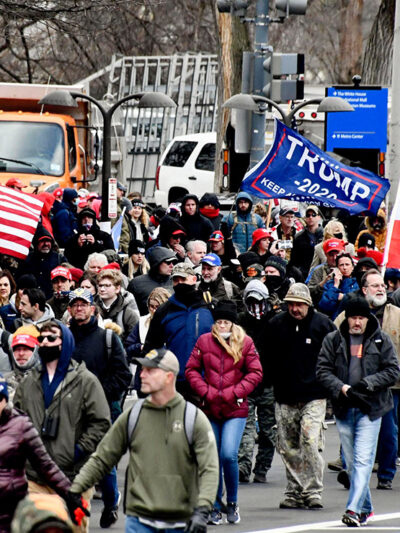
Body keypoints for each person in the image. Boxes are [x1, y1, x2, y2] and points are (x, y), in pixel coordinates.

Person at [68, 348, 219, 533]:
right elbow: (103, 457)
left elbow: (209, 468)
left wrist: (203, 509)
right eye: (142, 369)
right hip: (139, 521)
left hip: (182, 522)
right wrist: (76, 490)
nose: (142, 375)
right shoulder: (133, 415)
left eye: (150, 370)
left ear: (169, 377)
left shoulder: (193, 418)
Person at [13, 321, 110, 533]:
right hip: (34, 477)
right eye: (41, 339)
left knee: (72, 529)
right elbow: (16, 421)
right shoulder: (29, 382)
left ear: (64, 342)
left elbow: (101, 423)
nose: (45, 342)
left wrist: (78, 450)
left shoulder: (86, 381)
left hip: (74, 477)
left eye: (51, 338)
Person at [317, 296, 400, 527]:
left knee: (363, 460)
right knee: (352, 464)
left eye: (361, 318)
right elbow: (322, 370)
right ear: (347, 317)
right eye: (353, 317)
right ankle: (366, 508)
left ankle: (352, 510)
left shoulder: (381, 340)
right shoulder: (333, 340)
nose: (357, 322)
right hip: (345, 408)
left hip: (371, 408)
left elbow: (393, 370)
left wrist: (369, 383)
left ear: (368, 318)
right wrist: (342, 388)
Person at [185, 301, 262, 525]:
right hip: (209, 406)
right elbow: (191, 369)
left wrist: (236, 392)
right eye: (218, 322)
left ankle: (233, 502)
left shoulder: (245, 343)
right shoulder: (204, 341)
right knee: (213, 457)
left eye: (225, 322)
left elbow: (255, 372)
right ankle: (215, 505)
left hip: (234, 408)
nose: (221, 325)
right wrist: (205, 391)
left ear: (233, 323)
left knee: (228, 454)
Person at [260, 283, 336, 509]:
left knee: (310, 441)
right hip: (284, 395)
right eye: (291, 304)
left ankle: (313, 491)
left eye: (299, 304)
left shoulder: (323, 325)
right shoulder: (276, 324)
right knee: (287, 445)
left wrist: (332, 388)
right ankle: (294, 491)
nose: (295, 309)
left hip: (314, 395)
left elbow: (335, 357)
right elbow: (265, 357)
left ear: (308, 305)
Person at [68, 287, 132, 527]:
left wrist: (98, 395)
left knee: (103, 459)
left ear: (92, 309)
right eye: (74, 305)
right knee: (72, 459)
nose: (79, 308)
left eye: (83, 304)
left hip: (103, 409)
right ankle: (75, 508)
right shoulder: (64, 338)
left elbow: (123, 375)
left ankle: (111, 503)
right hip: (71, 410)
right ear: (70, 310)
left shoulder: (107, 338)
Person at [334, 270, 400, 491]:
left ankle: (386, 475)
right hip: (353, 386)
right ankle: (350, 472)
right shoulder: (345, 316)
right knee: (349, 430)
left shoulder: (397, 314)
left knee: (388, 433)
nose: (381, 289)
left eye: (382, 285)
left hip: (389, 385)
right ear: (364, 290)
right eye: (375, 286)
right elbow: (332, 343)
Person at [0, 374, 86, 533]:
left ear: (5, 400)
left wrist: (70, 494)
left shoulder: (20, 425)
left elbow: (45, 465)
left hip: (12, 512)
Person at [142, 263, 214, 401]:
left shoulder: (209, 307)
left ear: (193, 279)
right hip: (174, 381)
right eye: (176, 280)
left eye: (183, 279)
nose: (179, 283)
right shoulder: (164, 311)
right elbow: (151, 348)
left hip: (205, 381)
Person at [237, 280, 276, 484]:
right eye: (251, 301)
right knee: (246, 427)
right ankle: (243, 466)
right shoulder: (240, 322)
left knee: (269, 430)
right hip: (245, 383)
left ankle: (262, 467)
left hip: (269, 384)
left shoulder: (275, 321)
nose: (255, 307)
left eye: (258, 301)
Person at [15, 227, 67, 299]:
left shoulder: (59, 258)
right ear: (36, 243)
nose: (46, 244)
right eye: (42, 241)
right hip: (32, 300)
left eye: (48, 241)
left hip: (53, 300)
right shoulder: (27, 259)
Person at [127, 247, 175, 316]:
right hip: (145, 324)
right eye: (168, 262)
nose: (171, 265)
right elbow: (130, 313)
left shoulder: (176, 282)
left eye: (173, 262)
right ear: (157, 262)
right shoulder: (136, 284)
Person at [95, 269, 139, 342]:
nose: (102, 289)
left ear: (117, 288)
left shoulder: (129, 314)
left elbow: (133, 343)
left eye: (107, 285)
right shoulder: (91, 310)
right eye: (100, 285)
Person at [319, 253, 359, 319]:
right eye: (341, 265)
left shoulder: (357, 283)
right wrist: (335, 286)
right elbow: (325, 306)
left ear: (352, 267)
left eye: (347, 264)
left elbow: (354, 302)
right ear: (337, 268)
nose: (344, 268)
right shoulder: (330, 284)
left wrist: (343, 297)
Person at [307, 238, 345, 307]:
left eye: (337, 254)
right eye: (331, 255)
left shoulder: (348, 268)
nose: (335, 258)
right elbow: (309, 292)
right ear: (326, 255)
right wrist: (323, 282)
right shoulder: (318, 270)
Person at [289, 205, 323, 279]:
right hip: (304, 274)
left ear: (319, 217)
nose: (310, 217)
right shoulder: (298, 237)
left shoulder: (325, 235)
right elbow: (294, 260)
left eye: (313, 215)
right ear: (305, 218)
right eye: (308, 215)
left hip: (321, 273)